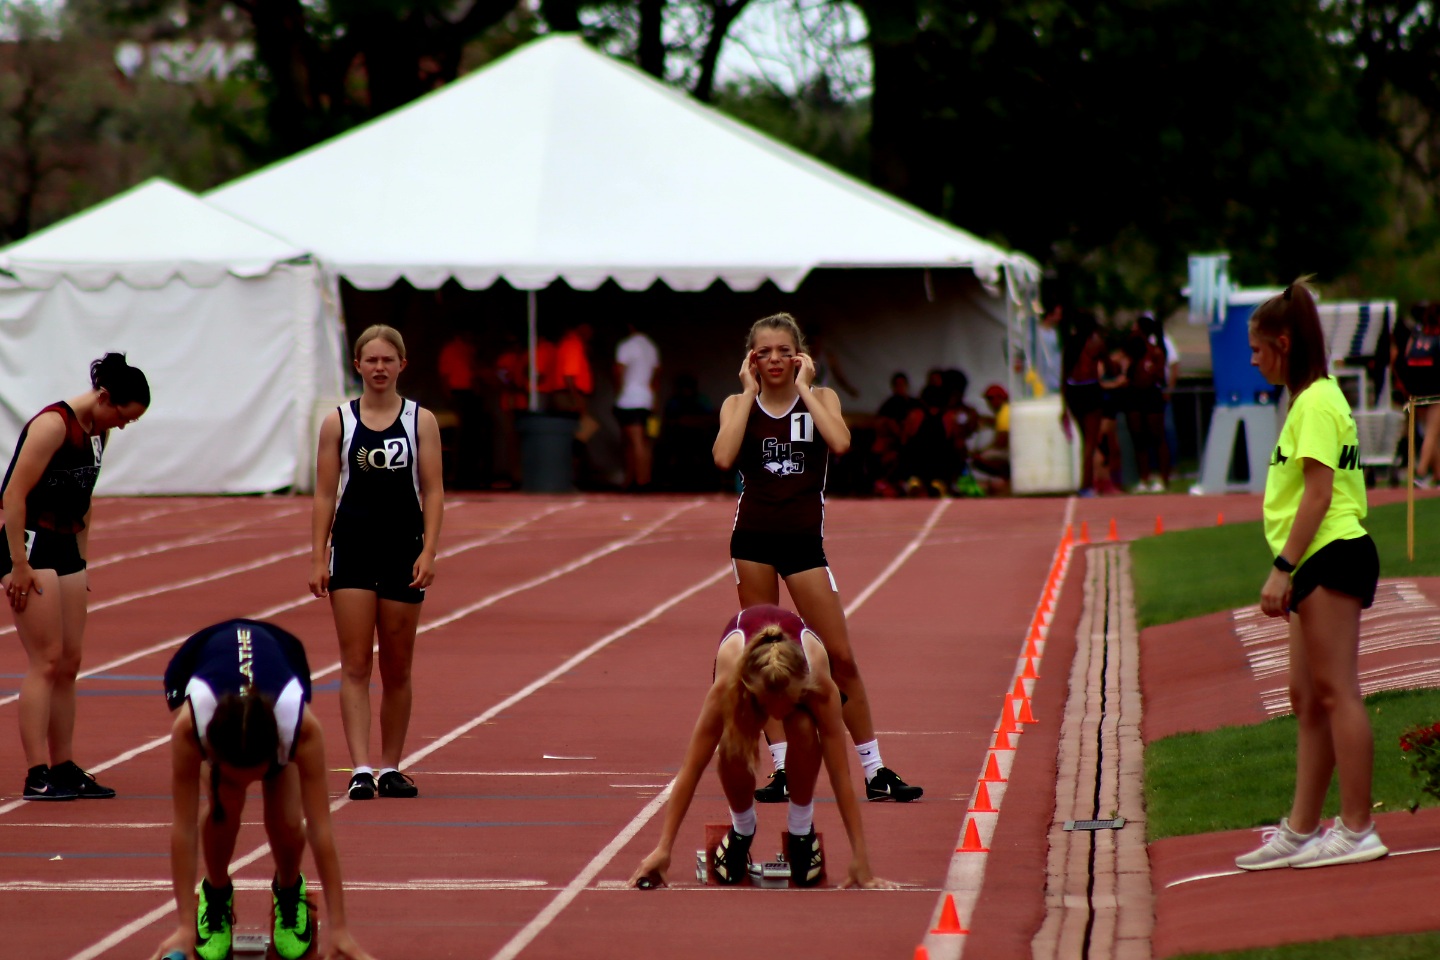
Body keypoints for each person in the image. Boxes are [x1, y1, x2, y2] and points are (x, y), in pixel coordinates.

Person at [713, 313, 923, 804]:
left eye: (783, 351)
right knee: (764, 656)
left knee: (840, 657)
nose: (774, 360)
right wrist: (747, 393)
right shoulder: (737, 404)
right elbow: (723, 458)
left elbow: (842, 442)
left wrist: (806, 388)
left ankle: (874, 770)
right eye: (764, 352)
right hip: (753, 543)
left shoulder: (821, 398)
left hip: (804, 544)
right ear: (751, 359)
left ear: (799, 355)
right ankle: (783, 769)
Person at [1235, 278, 1387, 871]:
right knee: (1306, 697)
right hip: (1315, 558)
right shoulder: (1306, 401)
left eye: (1257, 349)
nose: (1252, 360)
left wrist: (1282, 569)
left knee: (1336, 691)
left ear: (1283, 343)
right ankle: (1301, 829)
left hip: (1332, 552)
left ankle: (1358, 827)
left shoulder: (1318, 401)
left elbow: (1320, 495)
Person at [149, 619, 375, 960]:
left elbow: (321, 829)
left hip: (282, 654)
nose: (247, 785)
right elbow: (183, 827)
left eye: (252, 775)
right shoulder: (190, 728)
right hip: (199, 658)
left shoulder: (300, 728)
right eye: (236, 775)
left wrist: (340, 928)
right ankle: (216, 893)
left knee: (287, 821)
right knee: (225, 805)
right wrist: (183, 925)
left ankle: (289, 890)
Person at [627, 605, 895, 890]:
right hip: (744, 686)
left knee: (803, 728)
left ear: (802, 689)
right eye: (769, 705)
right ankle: (742, 829)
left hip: (792, 682)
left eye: (787, 704)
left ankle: (801, 831)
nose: (776, 715)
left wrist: (860, 857)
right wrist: (664, 848)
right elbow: (691, 769)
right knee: (734, 740)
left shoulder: (819, 683)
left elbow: (841, 775)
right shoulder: (728, 686)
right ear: (753, 690)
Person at [2, 352, 149, 800]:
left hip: (66, 545)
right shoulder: (53, 425)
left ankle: (64, 766)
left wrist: (83, 562)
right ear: (104, 397)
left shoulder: (99, 432)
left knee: (70, 662)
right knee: (46, 660)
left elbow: (86, 499)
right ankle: (37, 773)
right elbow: (13, 494)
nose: (123, 425)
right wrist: (18, 564)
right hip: (31, 544)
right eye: (123, 416)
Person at [310, 325, 443, 801]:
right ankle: (361, 768)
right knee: (355, 664)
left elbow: (433, 490)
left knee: (398, 667)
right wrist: (318, 555)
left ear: (402, 365)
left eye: (388, 360)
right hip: (353, 550)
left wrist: (429, 550)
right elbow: (324, 493)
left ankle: (391, 766)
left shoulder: (420, 421)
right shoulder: (338, 423)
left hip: (403, 550)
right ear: (358, 365)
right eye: (372, 360)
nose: (380, 368)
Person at [1392, 302, 1440, 487]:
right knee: (1431, 433)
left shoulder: (1417, 334)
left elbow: (1403, 358)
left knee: (1430, 432)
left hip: (1416, 387)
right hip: (1435, 388)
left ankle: (1437, 474)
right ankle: (1420, 472)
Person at [1061, 311, 1106, 496]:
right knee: (1090, 442)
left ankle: (1085, 482)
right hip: (1090, 389)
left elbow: (1064, 374)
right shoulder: (1096, 342)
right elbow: (1109, 365)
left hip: (1073, 391)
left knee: (1083, 440)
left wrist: (1063, 404)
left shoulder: (1070, 343)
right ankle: (1086, 484)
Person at [613, 321, 661, 491]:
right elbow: (656, 377)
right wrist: (654, 399)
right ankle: (637, 478)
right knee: (643, 442)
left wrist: (618, 391)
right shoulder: (651, 347)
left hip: (629, 400)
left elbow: (618, 371)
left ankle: (640, 481)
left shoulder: (626, 346)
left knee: (634, 441)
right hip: (646, 399)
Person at [971, 383, 1012, 495]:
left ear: (1000, 398)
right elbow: (998, 424)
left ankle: (1007, 478)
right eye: (988, 399)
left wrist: (980, 451)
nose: (989, 403)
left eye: (991, 399)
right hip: (1012, 452)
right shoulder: (1005, 410)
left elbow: (1001, 443)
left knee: (979, 459)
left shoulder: (1004, 412)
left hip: (1010, 453)